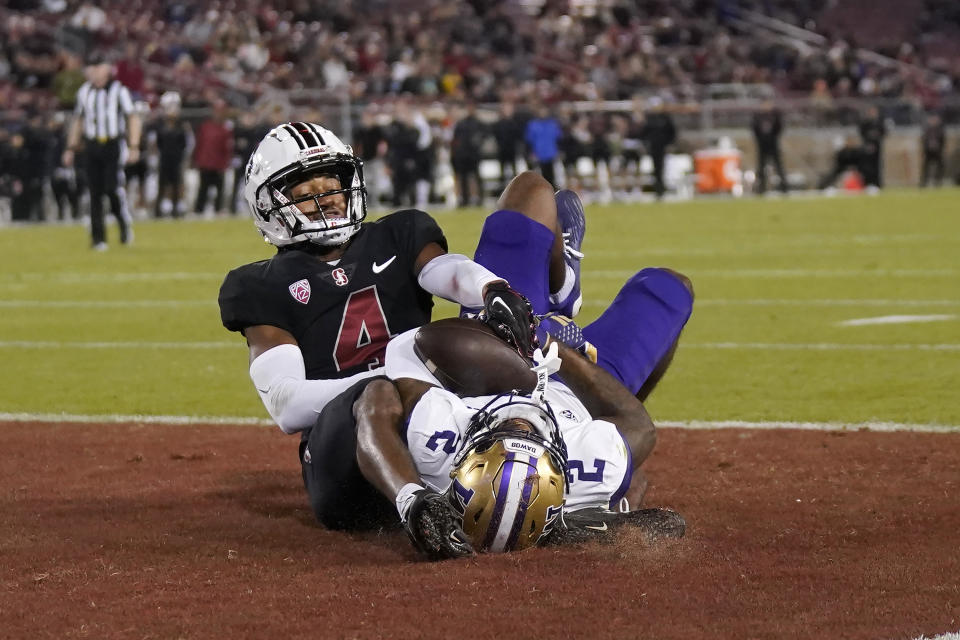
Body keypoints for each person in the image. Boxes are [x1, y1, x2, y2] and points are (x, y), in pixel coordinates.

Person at [298, 171, 694, 558]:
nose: (518, 426)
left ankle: (560, 288)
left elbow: (398, 372)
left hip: (500, 347)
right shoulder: (589, 467)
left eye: (501, 440)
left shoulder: (437, 440)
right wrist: (559, 351)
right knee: (670, 289)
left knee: (531, 191)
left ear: (467, 455)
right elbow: (637, 423)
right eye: (530, 440)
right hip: (582, 393)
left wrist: (411, 499)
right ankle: (562, 296)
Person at [218, 121, 538, 438]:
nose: (326, 199)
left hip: (431, 416)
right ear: (268, 207)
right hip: (345, 438)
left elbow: (444, 270)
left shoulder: (397, 234)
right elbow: (286, 405)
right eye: (306, 194)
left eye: (332, 187)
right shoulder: (259, 285)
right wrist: (403, 379)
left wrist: (490, 287)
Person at [62, 53, 141, 249]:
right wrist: (71, 148)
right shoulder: (84, 92)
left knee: (111, 188)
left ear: (107, 69)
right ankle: (98, 238)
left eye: (98, 66)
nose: (94, 71)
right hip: (92, 145)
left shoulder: (119, 91)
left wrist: (133, 145)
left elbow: (132, 117)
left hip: (112, 144)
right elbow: (78, 120)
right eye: (91, 67)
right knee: (94, 191)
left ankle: (123, 225)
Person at [151, 91, 194, 219]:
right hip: (164, 158)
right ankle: (158, 210)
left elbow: (187, 143)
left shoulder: (183, 125)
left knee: (177, 183)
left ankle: (176, 209)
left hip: (177, 159)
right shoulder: (159, 125)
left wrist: (185, 157)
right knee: (162, 184)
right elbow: (156, 143)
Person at [192, 99, 234, 215]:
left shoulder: (226, 129)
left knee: (219, 189)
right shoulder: (205, 127)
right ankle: (198, 210)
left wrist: (226, 163)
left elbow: (227, 148)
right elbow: (199, 144)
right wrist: (196, 159)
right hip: (205, 163)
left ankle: (218, 210)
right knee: (203, 188)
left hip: (218, 165)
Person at [450, 102, 486, 207]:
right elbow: (455, 140)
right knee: (463, 177)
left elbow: (483, 136)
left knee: (474, 176)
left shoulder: (478, 124)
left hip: (473, 155)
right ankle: (464, 199)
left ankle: (476, 198)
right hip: (462, 155)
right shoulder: (461, 124)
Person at [640, 97, 676, 200]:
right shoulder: (649, 118)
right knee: (655, 169)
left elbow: (672, 132)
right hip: (653, 147)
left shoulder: (665, 118)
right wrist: (645, 144)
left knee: (662, 168)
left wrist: (669, 144)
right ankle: (658, 189)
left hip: (663, 147)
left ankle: (662, 189)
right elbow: (644, 133)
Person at [752, 102, 787, 194]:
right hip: (762, 145)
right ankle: (761, 188)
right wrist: (761, 139)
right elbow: (754, 128)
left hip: (773, 144)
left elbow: (779, 127)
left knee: (779, 166)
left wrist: (773, 137)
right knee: (761, 167)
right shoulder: (758, 116)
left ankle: (784, 187)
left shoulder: (774, 114)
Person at [857, 106, 886, 189]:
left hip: (877, 147)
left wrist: (876, 139)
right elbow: (862, 133)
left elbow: (883, 133)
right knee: (866, 166)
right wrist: (868, 143)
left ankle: (877, 184)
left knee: (877, 166)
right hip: (867, 147)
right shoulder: (865, 123)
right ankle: (867, 183)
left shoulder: (880, 122)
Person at [919, 112, 945, 188]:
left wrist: (940, 148)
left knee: (940, 166)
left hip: (938, 151)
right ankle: (924, 182)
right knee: (926, 167)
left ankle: (938, 181)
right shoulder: (926, 129)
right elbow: (923, 140)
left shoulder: (940, 129)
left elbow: (943, 140)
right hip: (928, 152)